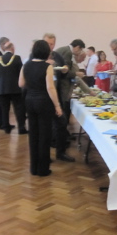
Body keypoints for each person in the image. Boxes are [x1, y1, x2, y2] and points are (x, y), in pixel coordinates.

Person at [19, 40, 63, 176]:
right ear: (46, 52)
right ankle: (43, 169)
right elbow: (50, 88)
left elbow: (21, 83)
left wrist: (32, 87)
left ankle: (34, 168)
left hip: (29, 101)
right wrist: (57, 105)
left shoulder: (26, 65)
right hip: (43, 102)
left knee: (33, 134)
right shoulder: (47, 67)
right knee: (45, 135)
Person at [42, 33, 75, 162]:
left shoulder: (58, 56)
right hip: (44, 97)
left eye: (52, 44)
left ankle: (61, 152)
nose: (50, 46)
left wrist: (65, 70)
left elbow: (66, 74)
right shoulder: (37, 56)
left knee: (62, 124)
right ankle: (45, 155)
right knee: (45, 128)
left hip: (57, 95)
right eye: (48, 43)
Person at [0, 41, 27, 134]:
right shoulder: (16, 58)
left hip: (2, 88)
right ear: (12, 48)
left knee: (5, 109)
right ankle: (21, 128)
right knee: (19, 109)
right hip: (15, 88)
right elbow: (21, 72)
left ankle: (6, 127)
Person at [55, 39, 86, 122]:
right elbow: (65, 72)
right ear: (77, 47)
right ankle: (63, 133)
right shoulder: (68, 52)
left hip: (58, 82)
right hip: (61, 85)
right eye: (80, 50)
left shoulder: (64, 49)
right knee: (63, 109)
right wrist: (76, 74)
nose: (79, 53)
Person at [0, 37, 9, 130]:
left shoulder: (0, 54)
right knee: (2, 104)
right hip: (0, 83)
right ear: (2, 45)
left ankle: (3, 123)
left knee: (3, 105)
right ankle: (1, 124)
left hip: (1, 83)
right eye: (6, 44)